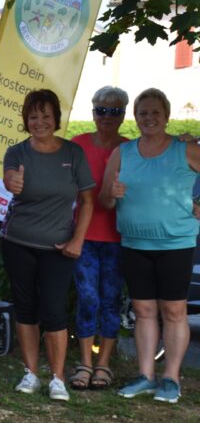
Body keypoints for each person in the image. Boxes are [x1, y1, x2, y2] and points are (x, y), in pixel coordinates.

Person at [99, 88, 200, 403]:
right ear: (136, 116)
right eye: (143, 112)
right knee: (143, 310)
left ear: (166, 116)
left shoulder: (185, 149)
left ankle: (170, 378)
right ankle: (145, 375)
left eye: (156, 112)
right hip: (134, 242)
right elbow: (103, 200)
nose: (149, 118)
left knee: (173, 310)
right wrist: (111, 194)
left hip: (175, 242)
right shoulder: (123, 153)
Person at [1, 89, 94, 402]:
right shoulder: (16, 152)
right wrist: (13, 181)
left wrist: (77, 239)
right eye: (33, 116)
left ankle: (57, 378)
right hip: (18, 242)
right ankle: (31, 373)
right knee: (25, 308)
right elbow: (10, 177)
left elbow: (87, 200)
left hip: (59, 247)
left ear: (56, 118)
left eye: (45, 115)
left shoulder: (72, 154)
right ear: (26, 120)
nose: (39, 121)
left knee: (54, 310)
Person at [68, 86, 129, 390]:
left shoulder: (131, 149)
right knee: (88, 298)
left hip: (119, 238)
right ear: (92, 112)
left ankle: (103, 364)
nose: (107, 116)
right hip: (85, 235)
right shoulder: (76, 146)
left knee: (110, 300)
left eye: (115, 111)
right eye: (101, 110)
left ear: (123, 115)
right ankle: (84, 362)